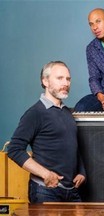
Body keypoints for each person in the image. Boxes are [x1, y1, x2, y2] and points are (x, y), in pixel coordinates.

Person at [8, 61, 86, 203]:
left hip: (71, 191)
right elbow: (14, 150)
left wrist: (82, 171)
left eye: (68, 79)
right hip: (46, 191)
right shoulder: (35, 113)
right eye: (59, 78)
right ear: (45, 81)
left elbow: (73, 145)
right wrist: (45, 174)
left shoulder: (67, 113)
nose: (66, 83)